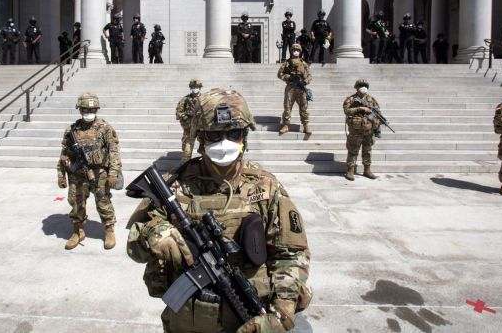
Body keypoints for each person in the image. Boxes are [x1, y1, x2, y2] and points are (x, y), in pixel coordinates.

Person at [126, 88, 312, 333]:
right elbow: (134, 247)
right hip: (189, 321)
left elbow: (291, 255)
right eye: (214, 135)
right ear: (200, 137)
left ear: (245, 136)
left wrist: (279, 315)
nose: (224, 143)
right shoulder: (175, 186)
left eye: (233, 133)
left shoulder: (266, 186)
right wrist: (158, 235)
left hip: (250, 319)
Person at [56, 93, 121, 250]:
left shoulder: (105, 128)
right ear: (80, 109)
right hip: (77, 174)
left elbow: (114, 152)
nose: (89, 112)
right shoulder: (71, 131)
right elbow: (64, 154)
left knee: (103, 200)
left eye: (92, 109)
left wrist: (113, 173)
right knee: (76, 203)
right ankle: (78, 230)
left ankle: (109, 229)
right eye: (86, 109)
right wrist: (60, 174)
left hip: (99, 173)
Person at [343, 78, 381, 181]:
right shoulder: (351, 99)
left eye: (365, 86)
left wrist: (377, 125)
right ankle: (350, 171)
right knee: (353, 150)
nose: (363, 88)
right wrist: (360, 108)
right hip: (356, 130)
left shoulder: (371, 99)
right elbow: (347, 111)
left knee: (367, 151)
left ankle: (367, 170)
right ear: (357, 87)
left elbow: (377, 112)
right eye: (361, 86)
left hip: (368, 130)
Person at [278, 43, 312, 135]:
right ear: (291, 51)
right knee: (287, 107)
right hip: (291, 88)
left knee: (304, 107)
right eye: (294, 50)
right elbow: (280, 74)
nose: (296, 52)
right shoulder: (287, 63)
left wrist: (304, 82)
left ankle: (305, 125)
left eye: (297, 50)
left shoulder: (304, 63)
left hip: (301, 88)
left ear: (300, 52)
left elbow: (309, 76)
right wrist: (289, 77)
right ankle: (285, 125)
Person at [175, 79, 202, 164]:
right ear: (190, 88)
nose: (195, 88)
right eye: (193, 87)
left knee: (206, 146)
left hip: (202, 126)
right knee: (187, 148)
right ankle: (185, 167)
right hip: (189, 127)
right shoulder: (185, 99)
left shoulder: (205, 99)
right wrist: (185, 118)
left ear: (200, 88)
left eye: (197, 87)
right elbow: (179, 112)